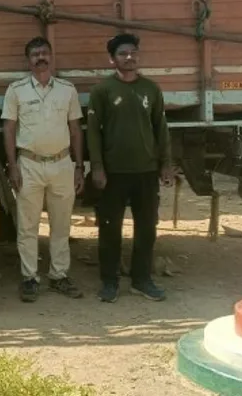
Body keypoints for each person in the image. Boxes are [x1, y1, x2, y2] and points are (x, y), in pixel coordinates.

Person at [87, 33, 173, 304]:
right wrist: (98, 167)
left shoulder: (151, 89)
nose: (129, 57)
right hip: (114, 173)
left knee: (146, 228)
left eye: (133, 52)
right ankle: (109, 282)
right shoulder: (102, 91)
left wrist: (166, 164)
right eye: (123, 53)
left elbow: (161, 128)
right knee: (110, 229)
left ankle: (142, 280)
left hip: (146, 171)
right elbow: (93, 133)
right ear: (112, 59)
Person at [2, 36, 84, 302]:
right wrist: (12, 165)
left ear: (51, 56)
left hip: (62, 163)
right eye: (35, 54)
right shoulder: (16, 90)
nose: (41, 58)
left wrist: (79, 166)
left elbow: (75, 129)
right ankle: (29, 278)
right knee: (28, 226)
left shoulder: (67, 90)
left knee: (61, 225)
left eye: (45, 53)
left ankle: (59, 276)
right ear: (28, 61)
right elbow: (9, 128)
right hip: (29, 164)